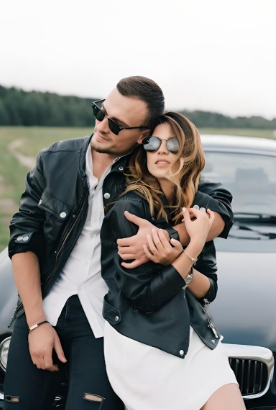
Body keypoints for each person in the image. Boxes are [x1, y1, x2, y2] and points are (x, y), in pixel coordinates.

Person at [5, 76, 234, 410]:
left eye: (116, 124)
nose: (102, 126)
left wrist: (167, 238)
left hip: (107, 319)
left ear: (143, 135)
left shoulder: (150, 168)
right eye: (101, 111)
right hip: (45, 303)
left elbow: (218, 204)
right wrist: (36, 322)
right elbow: (23, 237)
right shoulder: (54, 159)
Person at [101, 112, 246, 410]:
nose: (161, 150)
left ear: (189, 151)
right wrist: (189, 249)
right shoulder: (129, 208)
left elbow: (209, 289)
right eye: (153, 142)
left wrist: (177, 256)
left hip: (195, 337)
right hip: (144, 342)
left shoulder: (197, 207)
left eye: (173, 143)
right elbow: (145, 298)